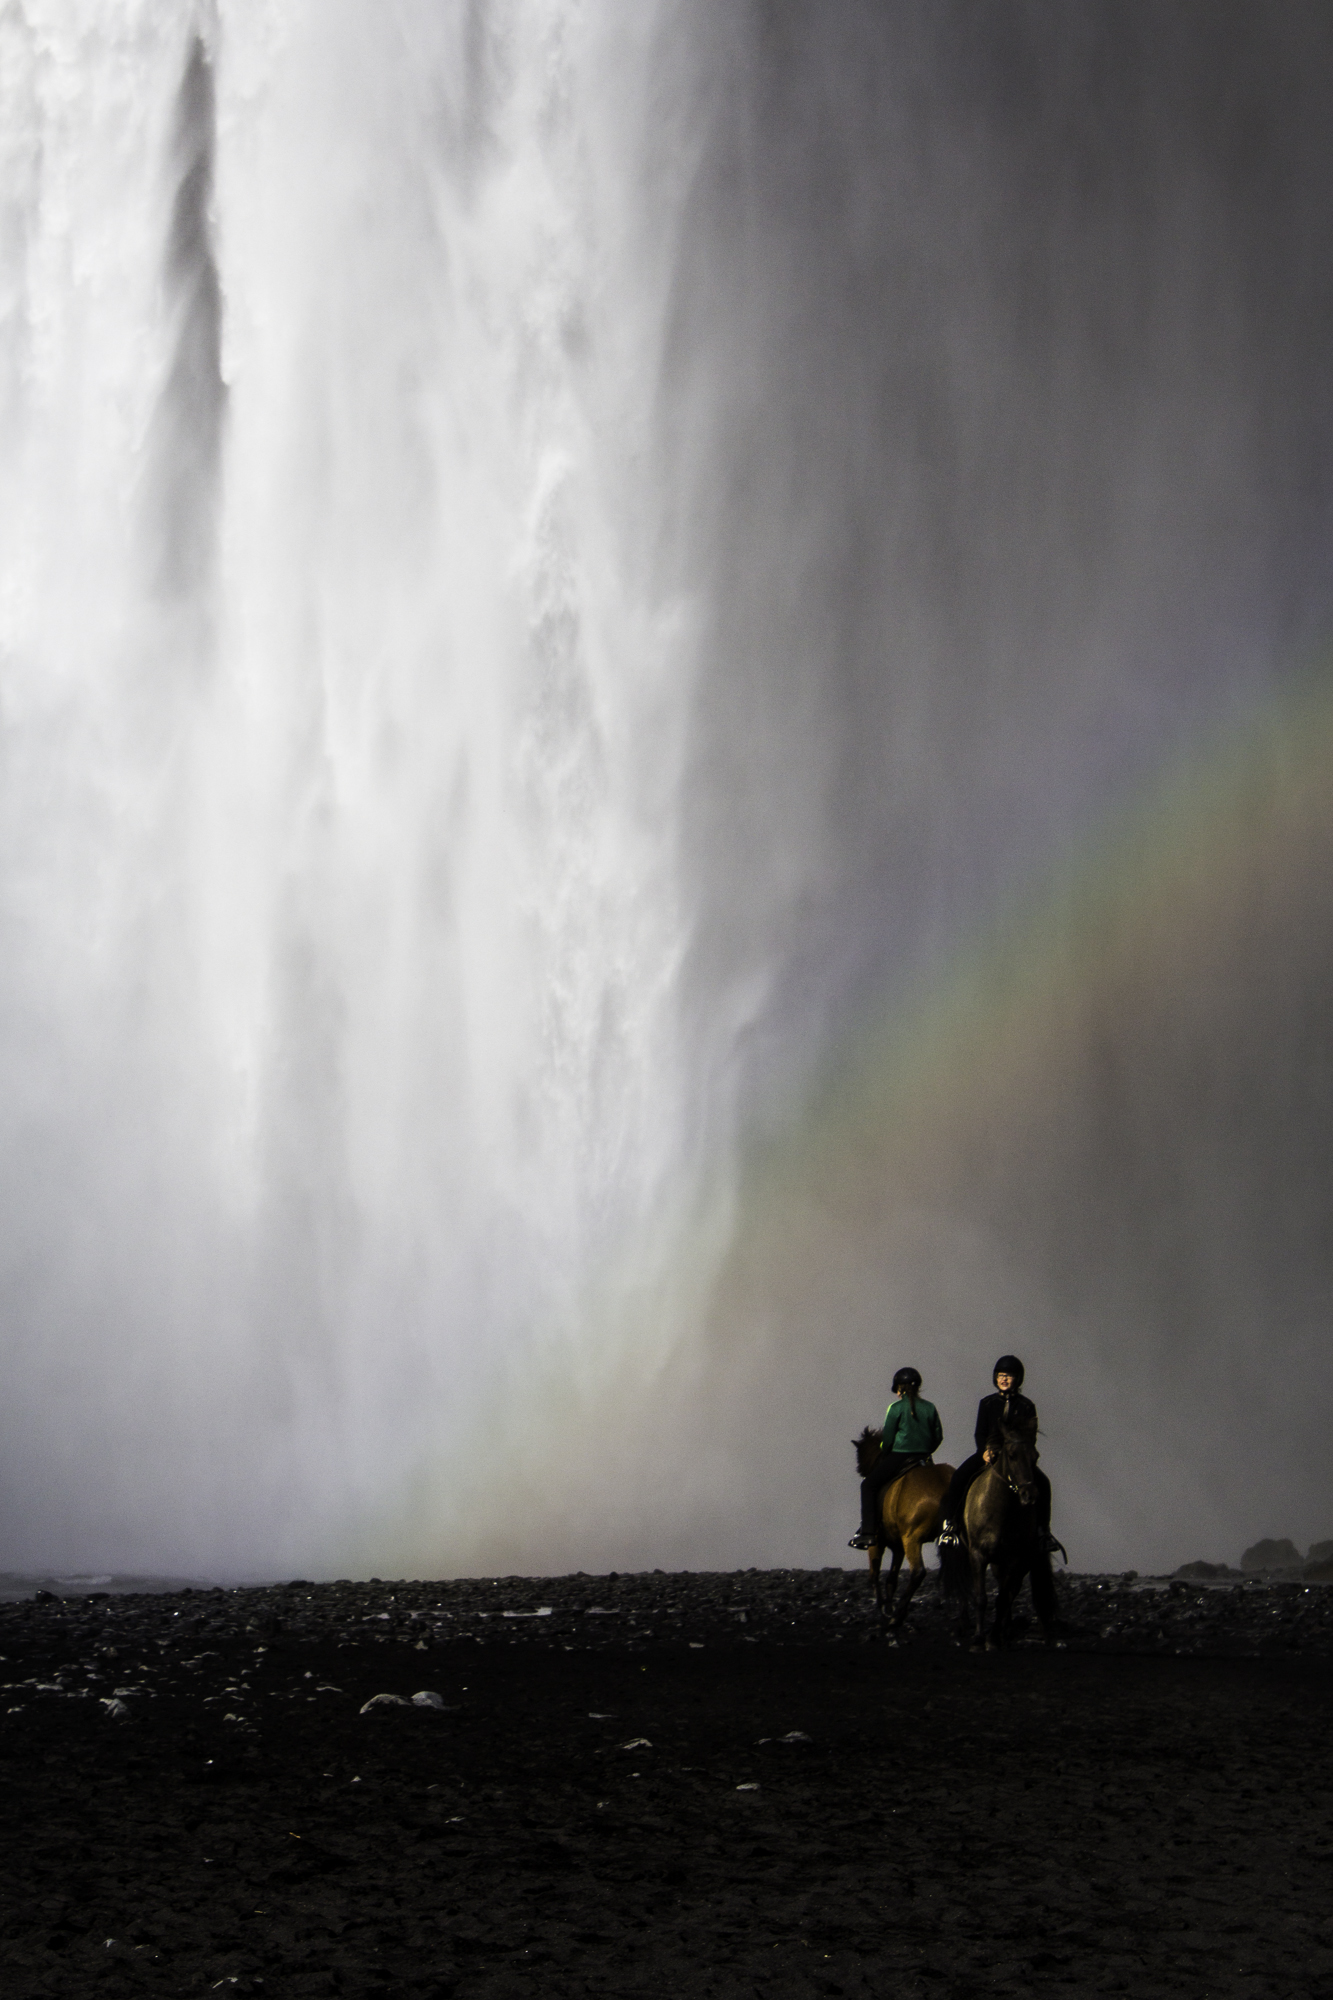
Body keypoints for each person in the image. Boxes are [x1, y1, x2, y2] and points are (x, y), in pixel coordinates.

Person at [935, 1353, 1058, 1551]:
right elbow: (979, 1432)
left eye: (1008, 1375)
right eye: (1000, 1375)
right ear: (995, 1377)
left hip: (1017, 1457)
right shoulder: (987, 1403)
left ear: (1017, 1379)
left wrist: (1021, 1453)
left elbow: (1030, 1436)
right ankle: (950, 1526)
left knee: (1043, 1483)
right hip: (989, 1454)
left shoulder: (1027, 1406)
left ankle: (1043, 1532)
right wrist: (984, 1451)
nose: (1004, 1379)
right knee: (959, 1477)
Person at [848, 1366, 943, 1550]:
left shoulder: (895, 1408)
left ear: (899, 1389)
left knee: (868, 1485)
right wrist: (927, 1450)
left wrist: (885, 1449)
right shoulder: (930, 1407)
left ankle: (867, 1532)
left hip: (900, 1457)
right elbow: (938, 1436)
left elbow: (888, 1438)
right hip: (924, 1458)